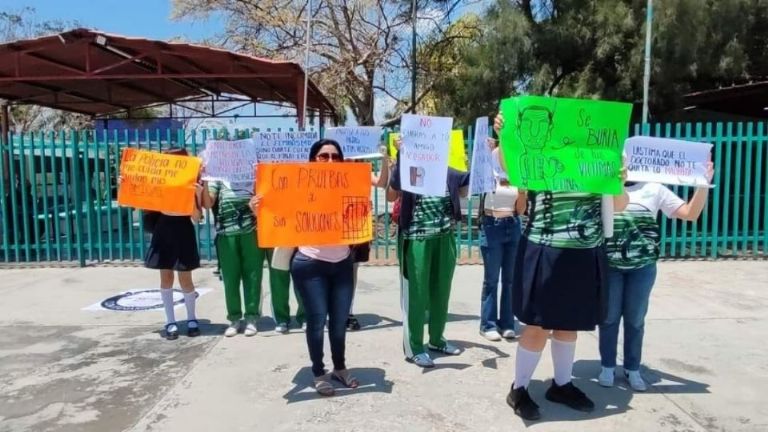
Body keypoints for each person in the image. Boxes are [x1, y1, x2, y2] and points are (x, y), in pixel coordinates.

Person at [494, 113, 629, 421]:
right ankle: (519, 388)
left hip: (584, 252)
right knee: (538, 325)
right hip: (544, 249)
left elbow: (619, 205)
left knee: (569, 323)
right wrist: (504, 133)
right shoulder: (540, 155)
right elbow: (509, 166)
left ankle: (562, 384)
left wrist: (619, 181)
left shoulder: (601, 158)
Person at [253, 139, 359, 396]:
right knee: (316, 321)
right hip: (310, 264)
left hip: (342, 264)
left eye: (335, 156)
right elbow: (278, 217)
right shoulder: (298, 188)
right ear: (313, 160)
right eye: (324, 156)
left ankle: (340, 368)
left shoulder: (350, 185)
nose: (330, 160)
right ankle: (318, 372)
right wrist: (258, 211)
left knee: (339, 322)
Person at [599, 163, 714, 391]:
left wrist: (703, 185)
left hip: (642, 268)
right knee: (609, 318)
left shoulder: (654, 188)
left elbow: (690, 214)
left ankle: (632, 368)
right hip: (610, 266)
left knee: (635, 320)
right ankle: (607, 366)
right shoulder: (603, 187)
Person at [387, 136, 470, 368]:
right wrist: (401, 155)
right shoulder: (410, 170)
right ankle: (414, 347)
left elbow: (469, 185)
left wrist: (481, 156)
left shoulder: (449, 172)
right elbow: (391, 194)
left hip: (444, 239)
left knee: (441, 291)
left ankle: (436, 339)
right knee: (417, 293)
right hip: (417, 239)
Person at [135, 148, 203, 340]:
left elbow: (197, 217)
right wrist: (127, 184)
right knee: (166, 278)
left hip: (183, 230)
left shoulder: (191, 184)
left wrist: (197, 195)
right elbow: (140, 200)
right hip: (164, 230)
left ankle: (191, 319)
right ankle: (170, 321)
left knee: (186, 279)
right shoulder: (158, 184)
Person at [201, 168, 264, 338]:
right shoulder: (217, 178)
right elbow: (207, 203)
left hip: (252, 233)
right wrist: (205, 180)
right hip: (226, 235)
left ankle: (251, 318)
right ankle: (234, 319)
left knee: (253, 276)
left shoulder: (253, 174)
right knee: (230, 279)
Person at [478, 137, 525, 341]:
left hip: (512, 225)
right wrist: (484, 151)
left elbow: (521, 210)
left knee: (510, 279)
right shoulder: (488, 160)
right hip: (492, 224)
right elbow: (476, 184)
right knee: (491, 279)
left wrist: (522, 191)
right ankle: (487, 324)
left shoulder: (518, 164)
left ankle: (507, 323)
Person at [347, 143, 391, 331]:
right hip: (334, 226)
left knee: (352, 270)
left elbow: (381, 182)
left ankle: (347, 311)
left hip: (356, 226)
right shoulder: (331, 169)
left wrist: (384, 160)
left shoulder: (362, 170)